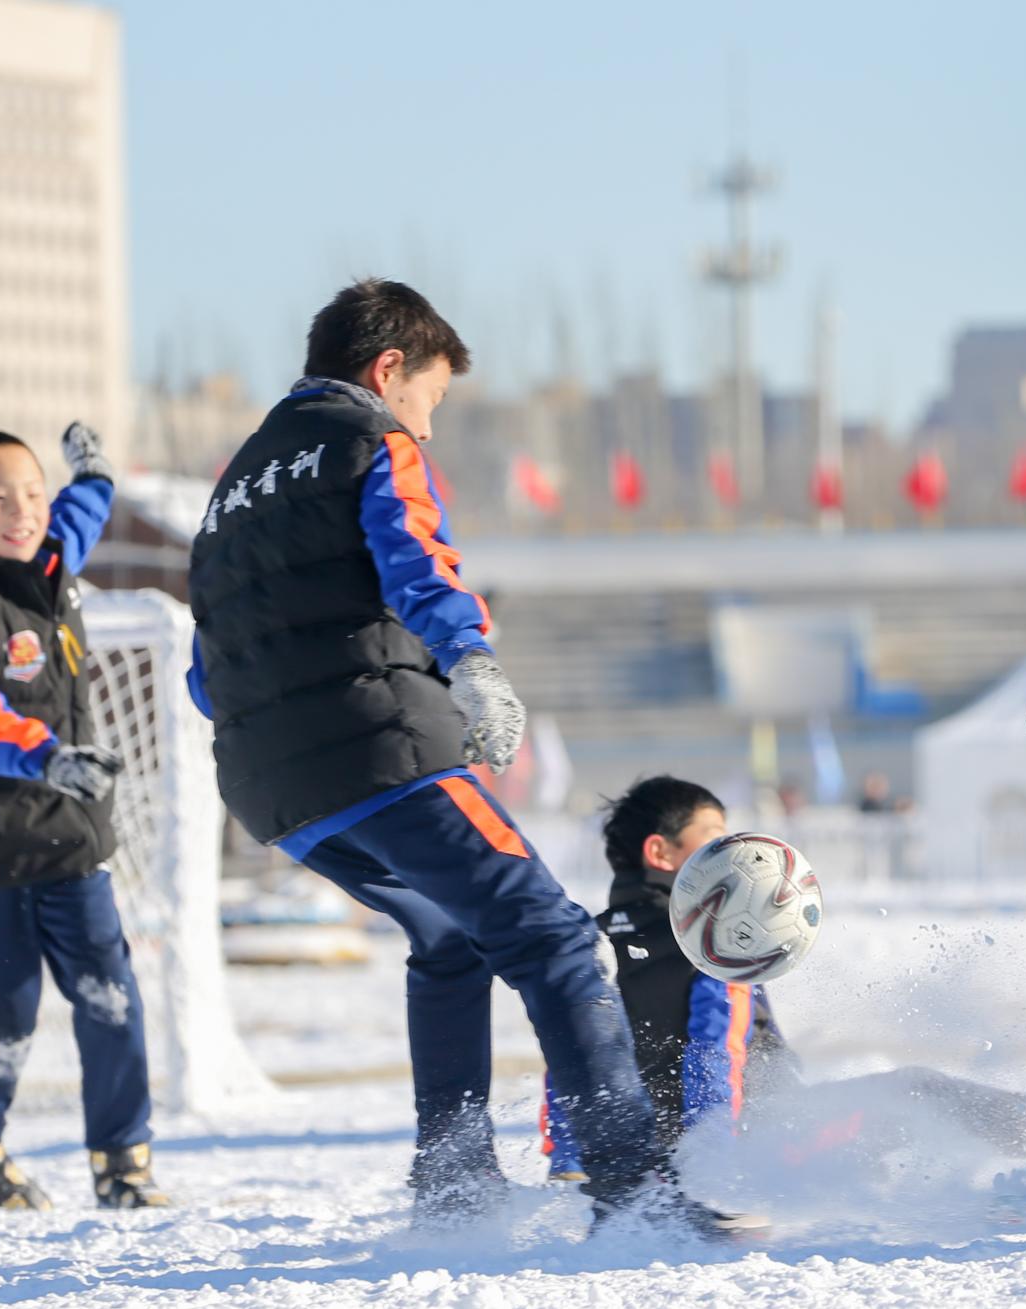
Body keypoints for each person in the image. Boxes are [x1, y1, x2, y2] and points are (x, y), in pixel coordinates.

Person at [184, 278, 727, 1236]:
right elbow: (418, 560)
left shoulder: (231, 492)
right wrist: (473, 663)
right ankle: (636, 1192)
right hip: (383, 754)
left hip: (274, 791)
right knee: (552, 938)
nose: (428, 426)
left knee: (446, 940)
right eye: (431, 396)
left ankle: (455, 1188)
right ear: (388, 370)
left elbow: (204, 666)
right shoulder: (371, 441)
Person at [0, 425, 167, 1211]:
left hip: (69, 837)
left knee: (111, 997)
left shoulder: (51, 554)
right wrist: (48, 757)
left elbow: (80, 512)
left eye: (31, 494)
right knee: (0, 1027)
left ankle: (124, 1161)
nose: (20, 512)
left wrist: (96, 472)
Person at [543, 777, 797, 1180]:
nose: (730, 849)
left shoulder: (590, 940)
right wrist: (716, 1165)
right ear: (660, 851)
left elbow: (568, 1053)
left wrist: (568, 1160)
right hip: (757, 1146)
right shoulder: (714, 940)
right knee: (919, 1092)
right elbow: (717, 1050)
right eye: (714, 837)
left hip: (648, 1158)